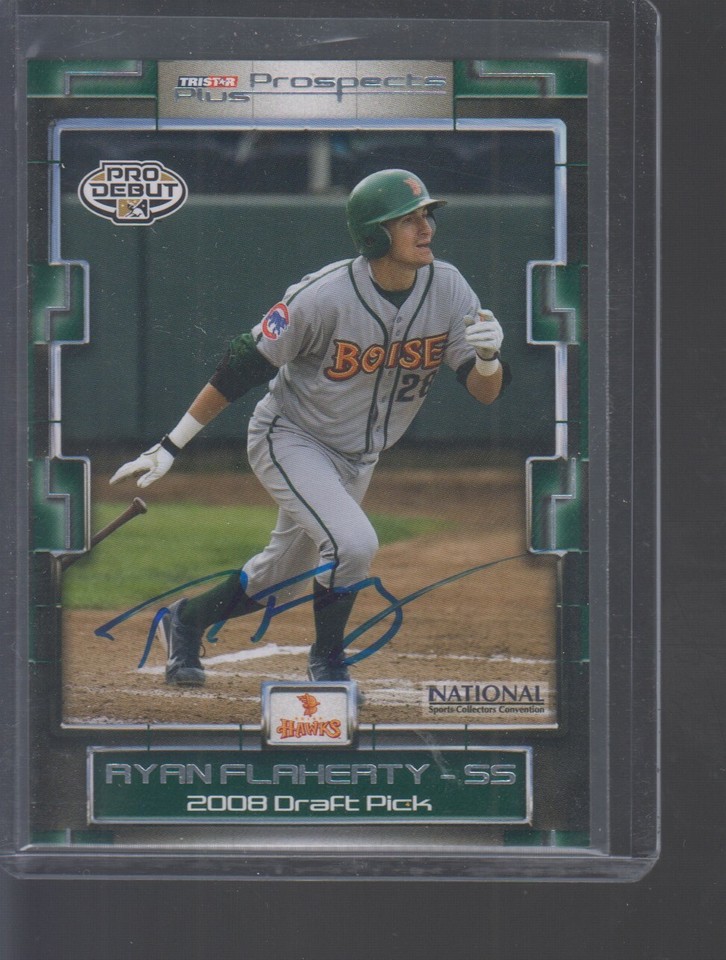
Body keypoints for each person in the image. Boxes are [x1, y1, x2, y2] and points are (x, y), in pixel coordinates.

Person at [110, 168, 509, 688]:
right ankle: (328, 661)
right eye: (408, 220)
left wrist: (487, 360)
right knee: (354, 545)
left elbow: (485, 392)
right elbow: (241, 364)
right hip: (291, 438)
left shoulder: (448, 287)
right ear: (374, 234)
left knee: (282, 579)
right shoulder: (323, 295)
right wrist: (170, 445)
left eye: (426, 215)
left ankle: (186, 620)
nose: (426, 227)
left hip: (359, 457)